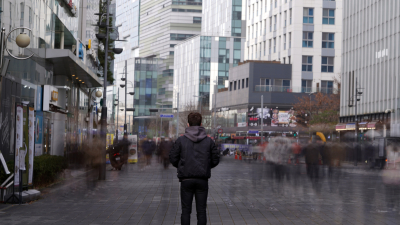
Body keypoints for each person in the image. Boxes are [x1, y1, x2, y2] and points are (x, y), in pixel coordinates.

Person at [170, 112, 220, 225]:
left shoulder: (181, 140)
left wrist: (181, 165)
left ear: (188, 125)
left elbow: (173, 158)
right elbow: (216, 159)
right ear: (201, 124)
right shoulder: (209, 141)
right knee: (201, 211)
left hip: (186, 179)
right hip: (202, 180)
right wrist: (206, 166)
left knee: (186, 211)